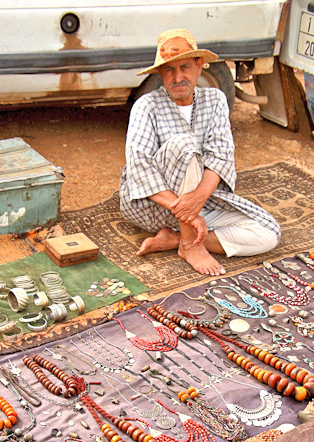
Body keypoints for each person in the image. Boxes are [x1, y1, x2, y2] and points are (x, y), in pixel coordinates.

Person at [119, 28, 281, 277]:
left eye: (185, 67)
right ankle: (188, 243)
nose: (178, 77)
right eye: (169, 70)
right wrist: (184, 209)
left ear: (199, 66)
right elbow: (139, 166)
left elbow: (221, 155)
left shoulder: (215, 99)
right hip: (154, 205)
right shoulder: (146, 106)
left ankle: (176, 240)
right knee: (185, 144)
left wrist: (197, 200)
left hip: (201, 201)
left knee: (268, 233)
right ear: (160, 73)